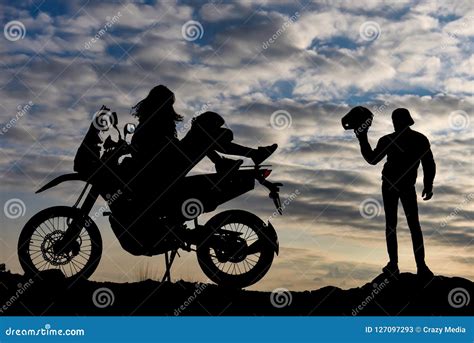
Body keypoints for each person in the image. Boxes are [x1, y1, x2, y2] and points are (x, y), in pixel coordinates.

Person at [130, 85, 277, 202]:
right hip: (166, 169)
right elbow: (162, 149)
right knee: (204, 130)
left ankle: (232, 160)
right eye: (169, 103)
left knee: (203, 134)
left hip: (169, 164)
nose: (171, 107)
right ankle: (245, 157)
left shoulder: (148, 123)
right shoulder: (155, 123)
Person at [354, 107, 436, 278]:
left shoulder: (413, 139)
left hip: (402, 186)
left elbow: (429, 164)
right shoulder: (410, 139)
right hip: (393, 185)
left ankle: (418, 266)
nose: (395, 123)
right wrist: (362, 137)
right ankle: (398, 265)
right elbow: (373, 159)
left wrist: (428, 185)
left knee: (407, 225)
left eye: (397, 120)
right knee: (400, 225)